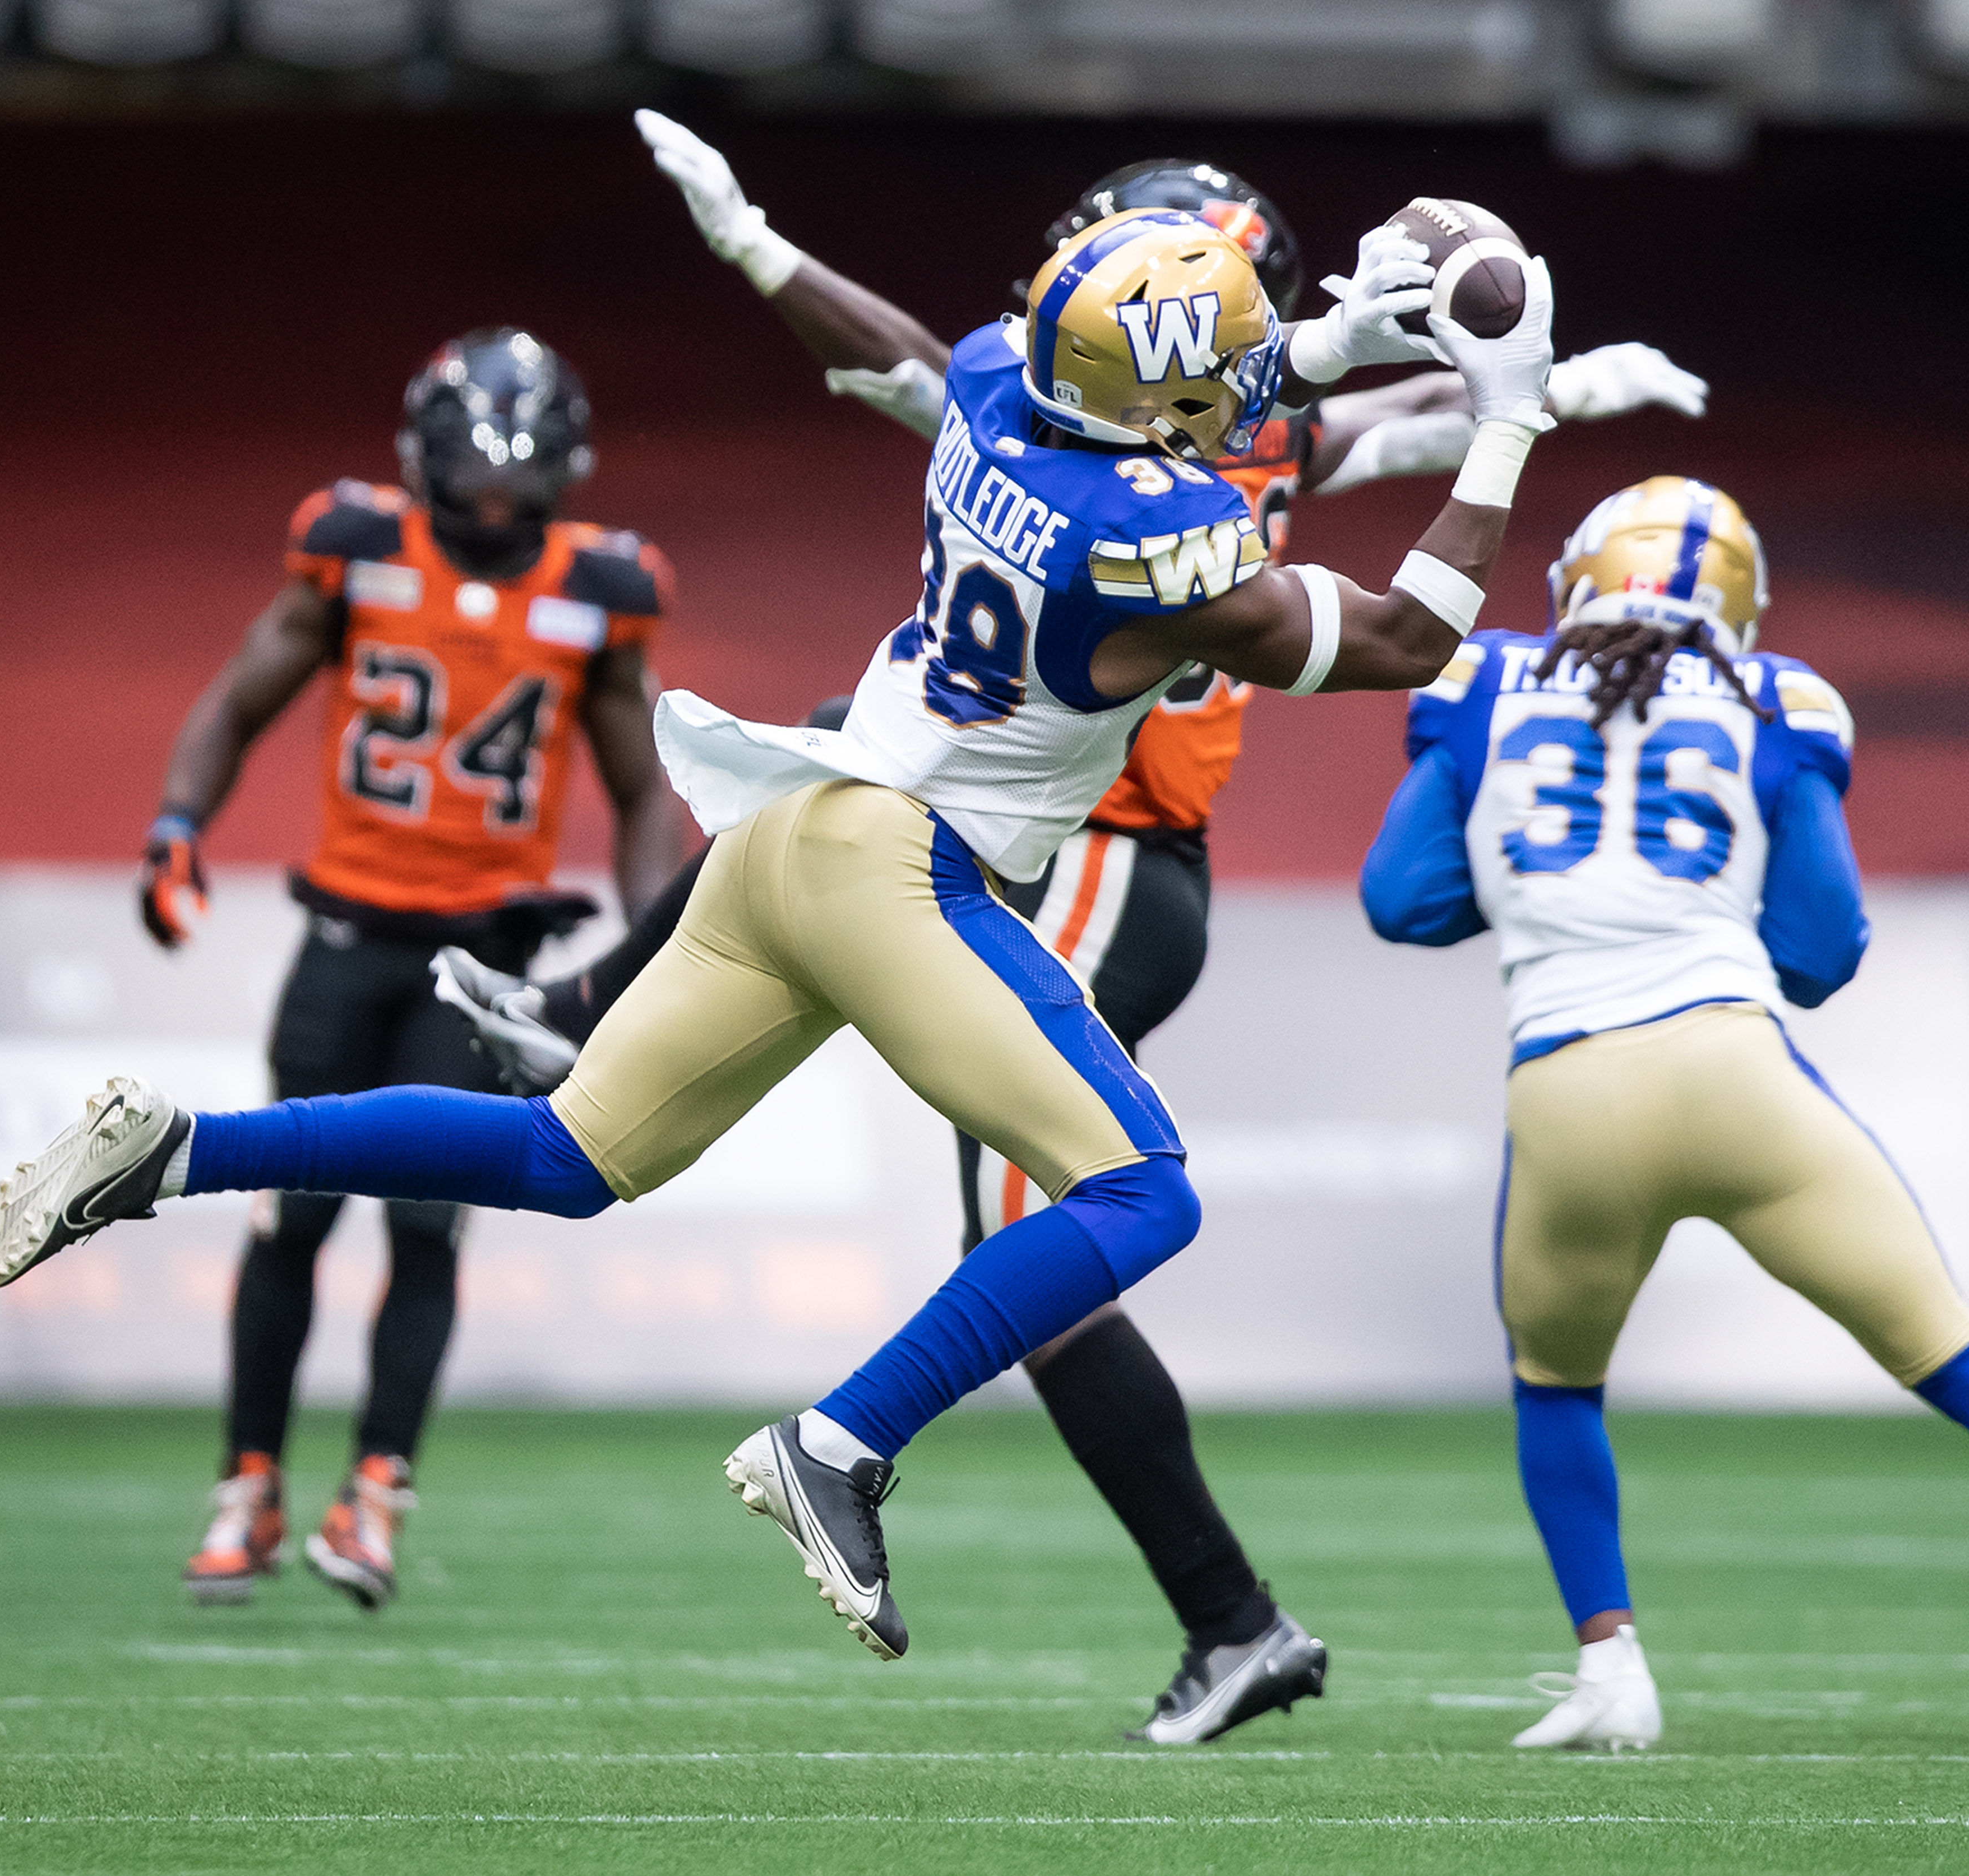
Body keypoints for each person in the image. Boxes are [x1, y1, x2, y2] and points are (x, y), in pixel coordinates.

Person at [0, 205, 1560, 1678]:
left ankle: (180, 1151)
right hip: (903, 870)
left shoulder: (1006, 381)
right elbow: (1413, 635)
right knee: (1142, 1190)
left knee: (566, 1153)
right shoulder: (1154, 542)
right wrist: (1500, 415)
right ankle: (842, 1441)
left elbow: (1188, 399)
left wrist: (1345, 346)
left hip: (791, 826)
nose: (1240, 381)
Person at [423, 121, 1707, 1741]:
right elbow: (1300, 408)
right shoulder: (1193, 442)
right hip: (1044, 845)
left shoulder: (1151, 450)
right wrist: (1490, 380)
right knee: (850, 785)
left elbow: (1262, 435)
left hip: (1104, 853)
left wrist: (1492, 387)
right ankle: (1218, 1613)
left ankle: (1199, 1603)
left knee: (1062, 1220)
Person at [1356, 476, 1969, 1755]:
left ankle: (1610, 1667)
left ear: (1579, 577)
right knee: (1961, 1359)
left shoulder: (1485, 681)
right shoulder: (1779, 699)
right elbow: (1823, 946)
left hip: (1565, 1081)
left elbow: (1400, 901)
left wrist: (1545, 897)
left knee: (1556, 1388)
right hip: (1736, 1075)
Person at [134, 328, 682, 1611]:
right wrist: (176, 824)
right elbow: (237, 699)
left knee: (429, 1225)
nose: (494, 502)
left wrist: (654, 943)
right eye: (473, 475)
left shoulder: (602, 589)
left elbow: (640, 792)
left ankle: (376, 1489)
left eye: (518, 477)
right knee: (290, 1218)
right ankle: (248, 1487)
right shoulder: (355, 550)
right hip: (343, 942)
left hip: (478, 963)